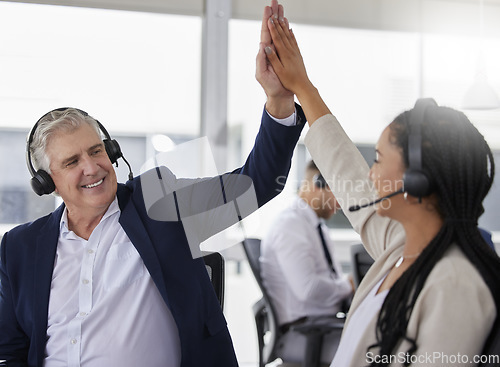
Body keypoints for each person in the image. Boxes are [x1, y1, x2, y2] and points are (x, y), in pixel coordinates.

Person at [0, 19, 306, 366]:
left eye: (97, 151)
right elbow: (9, 351)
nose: (92, 167)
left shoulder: (159, 205)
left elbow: (256, 183)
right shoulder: (20, 247)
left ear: (112, 152)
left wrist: (279, 100)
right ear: (47, 181)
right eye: (72, 161)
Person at [260, 3, 500, 366]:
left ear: (418, 180)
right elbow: (348, 175)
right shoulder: (403, 250)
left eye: (377, 160)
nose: (369, 176)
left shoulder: (454, 285)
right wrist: (299, 88)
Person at [260, 160, 353, 364]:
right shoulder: (290, 226)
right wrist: (348, 286)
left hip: (322, 327)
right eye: (339, 193)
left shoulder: (316, 228)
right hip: (305, 334)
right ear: (319, 183)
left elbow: (333, 280)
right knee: (378, 351)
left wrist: (349, 288)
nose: (341, 203)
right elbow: (308, 289)